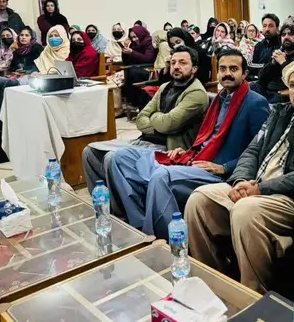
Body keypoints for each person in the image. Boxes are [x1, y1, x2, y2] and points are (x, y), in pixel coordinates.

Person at [185, 60, 294, 292]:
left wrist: (262, 189)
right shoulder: (279, 114)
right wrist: (240, 180)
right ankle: (212, 283)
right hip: (258, 187)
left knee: (246, 209)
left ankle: (252, 294)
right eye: (292, 85)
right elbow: (252, 151)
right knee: (200, 199)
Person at [108, 49, 270, 239]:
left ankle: (164, 241)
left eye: (233, 69)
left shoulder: (255, 103)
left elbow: (261, 152)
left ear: (245, 74)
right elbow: (206, 138)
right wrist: (186, 150)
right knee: (121, 157)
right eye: (223, 68)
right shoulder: (219, 99)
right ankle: (138, 223)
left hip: (219, 172)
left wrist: (224, 167)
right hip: (195, 157)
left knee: (161, 176)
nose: (227, 73)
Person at [82, 46, 210, 213]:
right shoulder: (165, 87)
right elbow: (141, 119)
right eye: (173, 63)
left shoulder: (196, 93)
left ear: (194, 68)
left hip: (167, 148)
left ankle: (121, 213)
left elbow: (168, 124)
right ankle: (103, 207)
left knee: (111, 158)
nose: (176, 66)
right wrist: (159, 123)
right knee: (89, 152)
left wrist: (155, 118)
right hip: (145, 140)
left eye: (182, 63)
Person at [253, 23, 294, 103]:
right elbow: (261, 78)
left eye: (290, 34)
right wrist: (272, 63)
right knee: (250, 87)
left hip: (285, 93)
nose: (286, 37)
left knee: (268, 101)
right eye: (283, 34)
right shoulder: (279, 52)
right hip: (269, 89)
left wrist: (283, 62)